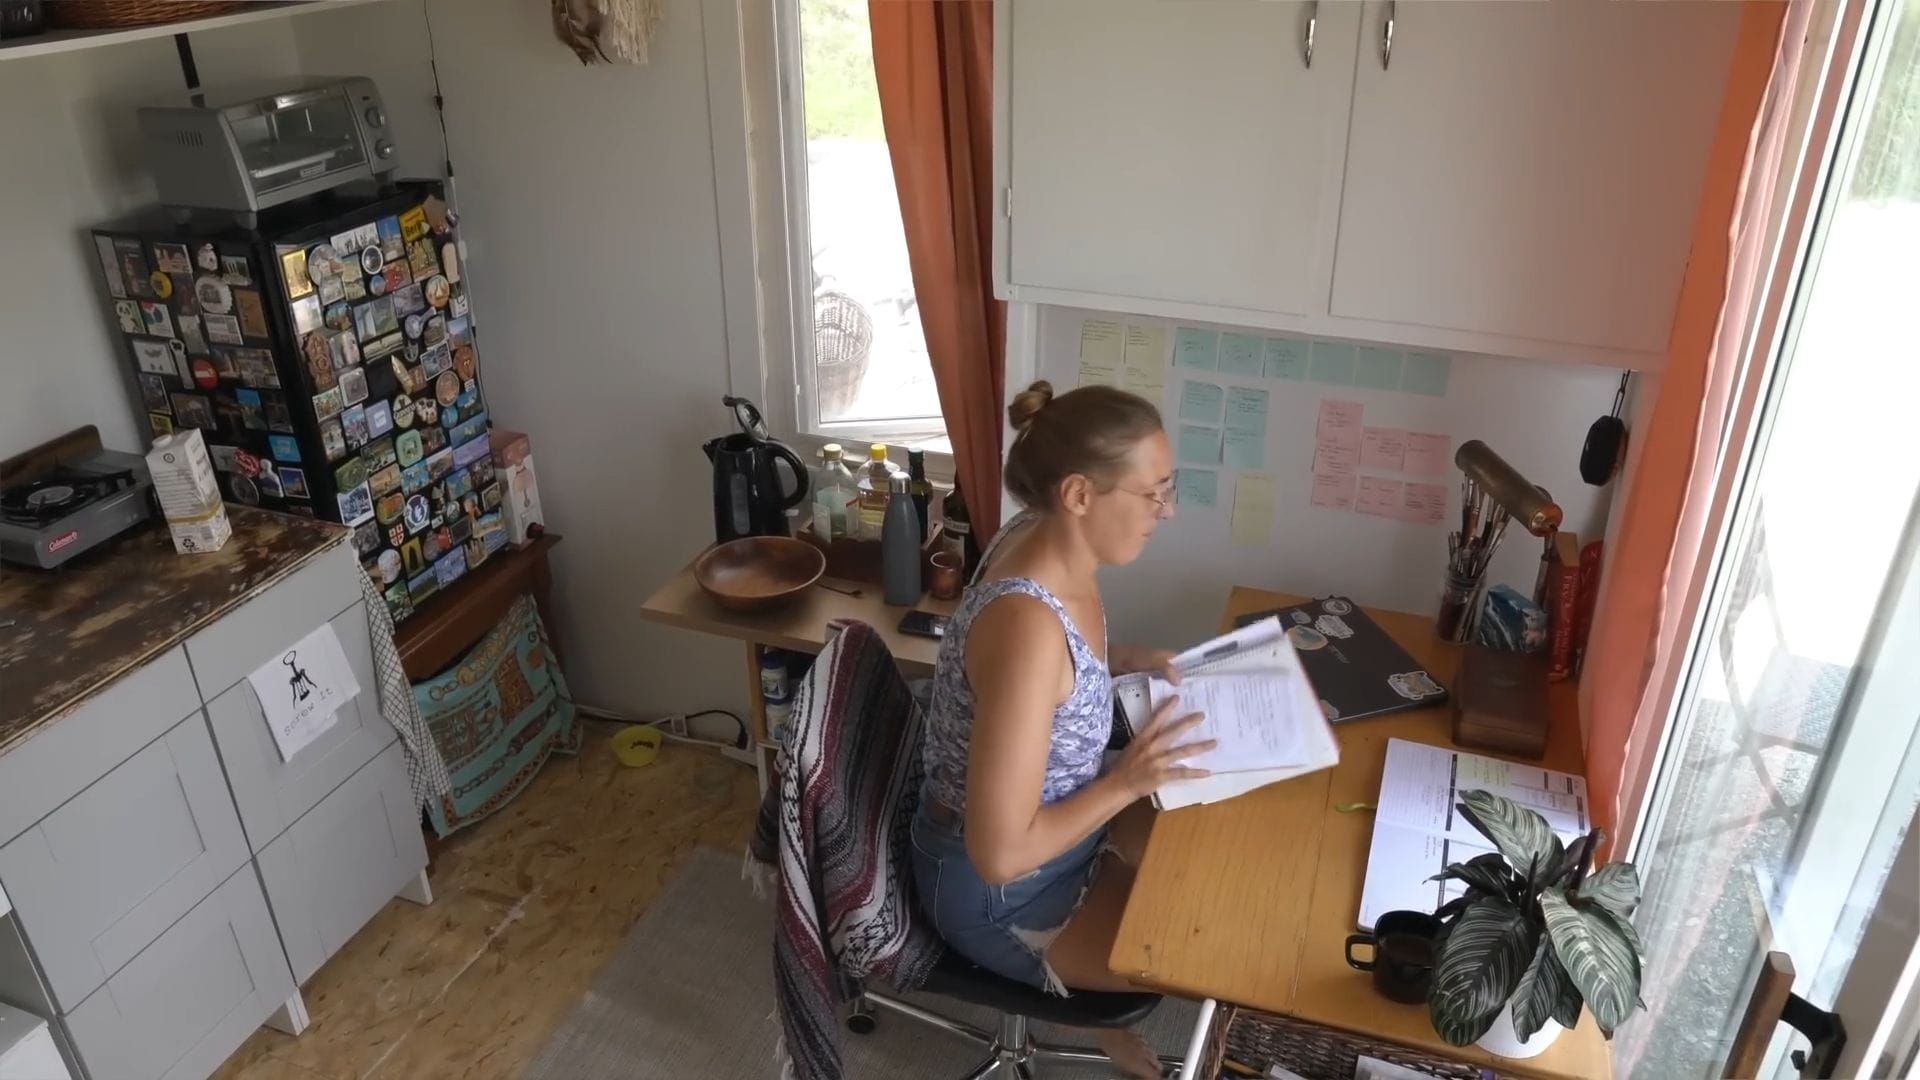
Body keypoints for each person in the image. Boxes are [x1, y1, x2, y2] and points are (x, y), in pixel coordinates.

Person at [912, 380, 1212, 1078]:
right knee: (1198, 951)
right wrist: (1128, 782)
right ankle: (1063, 996)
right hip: (1000, 891)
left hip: (1064, 821)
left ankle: (1069, 993)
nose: (1167, 510)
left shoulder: (1042, 536)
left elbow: (1043, 682)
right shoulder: (1027, 628)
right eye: (1154, 493)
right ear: (1078, 494)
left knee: (1209, 854)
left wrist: (1120, 661)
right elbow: (1000, 855)